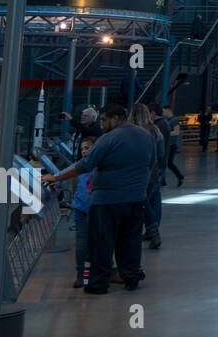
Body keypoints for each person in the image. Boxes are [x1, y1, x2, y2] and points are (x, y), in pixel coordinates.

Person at [42, 100, 153, 293]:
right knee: (130, 241)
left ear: (116, 118)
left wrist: (57, 177)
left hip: (106, 201)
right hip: (136, 198)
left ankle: (98, 284)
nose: (101, 124)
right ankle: (131, 277)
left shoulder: (108, 139)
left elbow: (85, 164)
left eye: (104, 119)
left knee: (101, 243)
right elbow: (152, 164)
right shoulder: (145, 136)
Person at [131, 103, 165, 249]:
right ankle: (153, 231)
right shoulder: (155, 130)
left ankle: (152, 231)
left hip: (138, 173)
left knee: (142, 204)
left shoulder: (132, 131)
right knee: (154, 202)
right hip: (154, 171)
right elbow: (161, 152)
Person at [70, 135, 97, 288]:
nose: (85, 151)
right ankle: (80, 272)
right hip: (80, 208)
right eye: (82, 149)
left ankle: (104, 270)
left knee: (100, 241)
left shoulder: (99, 166)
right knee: (81, 243)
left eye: (88, 148)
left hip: (96, 208)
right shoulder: (78, 167)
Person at [157, 106, 184, 187]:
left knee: (169, 163)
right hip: (167, 145)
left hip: (172, 145)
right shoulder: (166, 120)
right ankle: (163, 180)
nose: (162, 113)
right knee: (167, 163)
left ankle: (179, 176)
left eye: (164, 111)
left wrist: (166, 133)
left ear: (168, 110)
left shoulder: (174, 120)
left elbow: (176, 132)